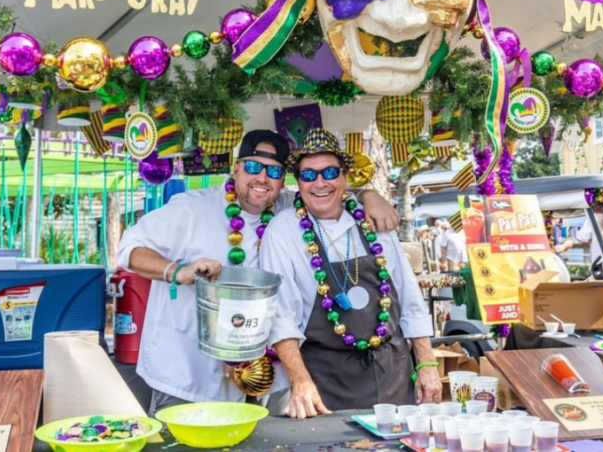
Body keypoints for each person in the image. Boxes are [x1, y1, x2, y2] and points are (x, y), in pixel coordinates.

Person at [116, 130, 400, 414]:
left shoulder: (287, 207)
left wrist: (368, 194)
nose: (262, 178)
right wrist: (177, 271)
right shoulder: (193, 209)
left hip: (264, 379)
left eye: (274, 171)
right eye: (253, 167)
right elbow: (130, 248)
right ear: (236, 169)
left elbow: (327, 190)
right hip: (189, 374)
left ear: (282, 180)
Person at [260, 128, 440, 419]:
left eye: (329, 172)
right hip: (327, 382)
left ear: (344, 177)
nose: (320, 183)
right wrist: (300, 381)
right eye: (308, 175)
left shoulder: (372, 220)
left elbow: (409, 297)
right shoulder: (283, 230)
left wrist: (427, 364)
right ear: (298, 183)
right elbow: (281, 317)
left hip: (394, 373)